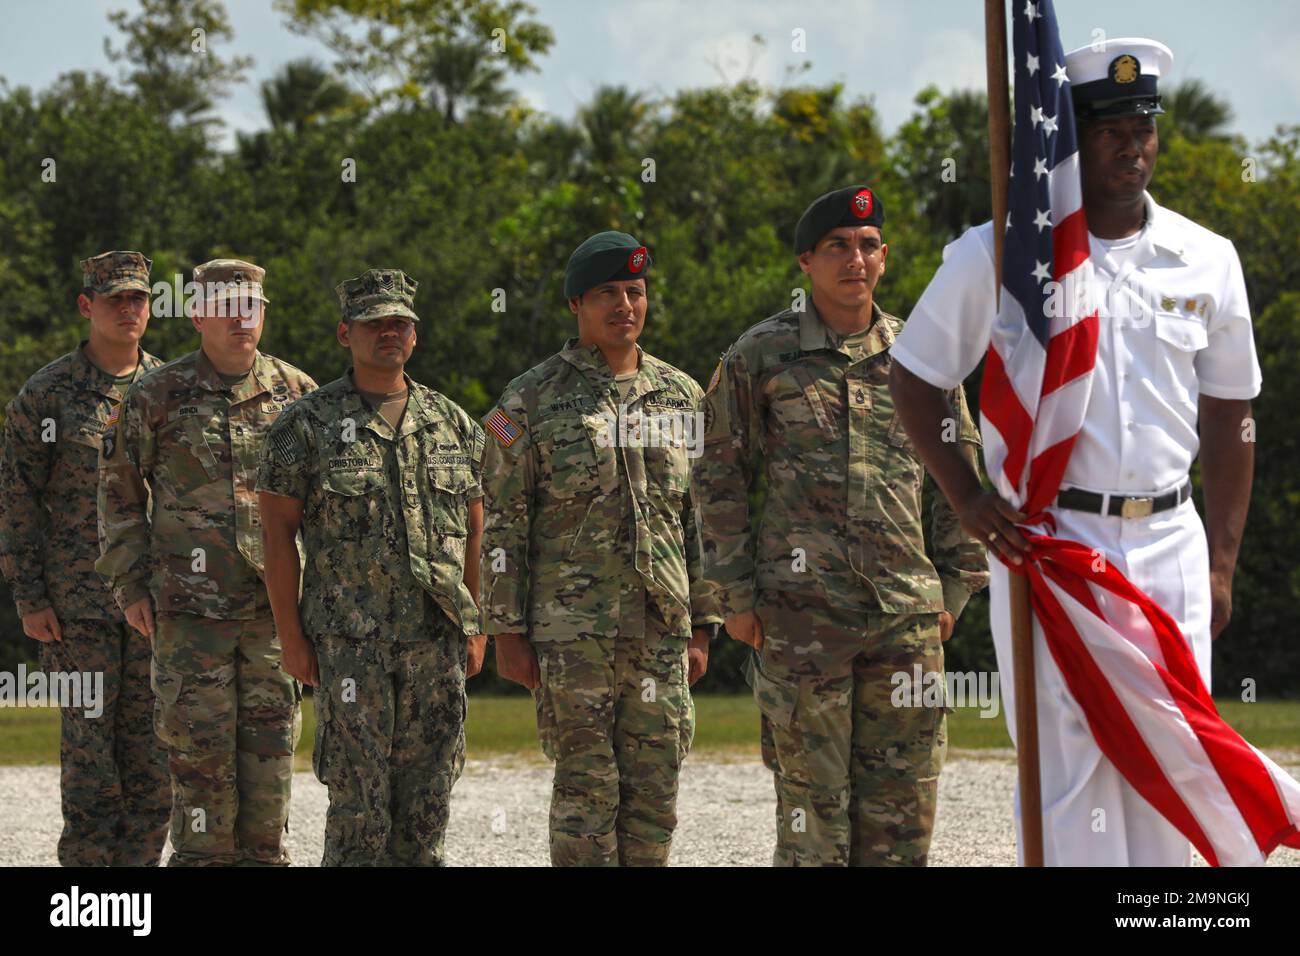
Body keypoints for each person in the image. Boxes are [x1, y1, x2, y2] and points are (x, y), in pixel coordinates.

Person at [889, 38, 1260, 866]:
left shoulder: (1208, 257)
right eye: (1107, 129)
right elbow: (913, 379)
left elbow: (1233, 417)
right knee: (1068, 769)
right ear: (1063, 137)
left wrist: (1224, 562)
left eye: (1144, 126)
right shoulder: (1001, 255)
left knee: (1174, 763)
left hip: (1169, 543)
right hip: (1052, 543)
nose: (1132, 145)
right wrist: (967, 497)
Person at [694, 186, 988, 866]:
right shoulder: (760, 356)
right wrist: (732, 596)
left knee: (902, 818)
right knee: (812, 821)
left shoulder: (925, 354)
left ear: (883, 257)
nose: (854, 258)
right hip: (801, 620)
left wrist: (955, 588)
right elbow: (719, 475)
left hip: (905, 617)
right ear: (806, 261)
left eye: (867, 245)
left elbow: (961, 474)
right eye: (837, 246)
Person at [481, 230, 722, 866]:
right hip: (571, 636)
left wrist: (705, 625)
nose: (625, 304)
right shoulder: (526, 401)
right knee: (585, 797)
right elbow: (504, 523)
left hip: (661, 632)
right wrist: (506, 629)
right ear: (575, 305)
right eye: (607, 293)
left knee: (654, 798)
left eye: (635, 291)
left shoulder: (683, 396)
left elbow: (701, 520)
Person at [257, 268, 486, 866]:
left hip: (435, 641)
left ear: (414, 334)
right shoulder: (303, 426)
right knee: (358, 808)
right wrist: (290, 638)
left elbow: (477, 529)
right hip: (348, 645)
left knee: (429, 803)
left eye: (400, 323)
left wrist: (476, 621)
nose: (390, 332)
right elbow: (277, 537)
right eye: (375, 322)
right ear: (344, 332)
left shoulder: (454, 424)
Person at [97, 258, 317, 866]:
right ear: (197, 313)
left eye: (251, 306)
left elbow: (325, 506)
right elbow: (118, 494)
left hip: (273, 617)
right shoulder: (155, 395)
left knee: (270, 765)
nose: (241, 319)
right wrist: (130, 584)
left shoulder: (300, 397)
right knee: (199, 768)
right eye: (226, 307)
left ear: (264, 314)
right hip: (189, 615)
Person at [0, 250, 169, 866]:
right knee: (91, 767)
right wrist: (30, 596)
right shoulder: (46, 395)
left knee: (154, 767)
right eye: (115, 298)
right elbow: (16, 497)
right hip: (78, 612)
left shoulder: (171, 389)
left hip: (156, 605)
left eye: (138, 299)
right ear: (86, 305)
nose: (128, 309)